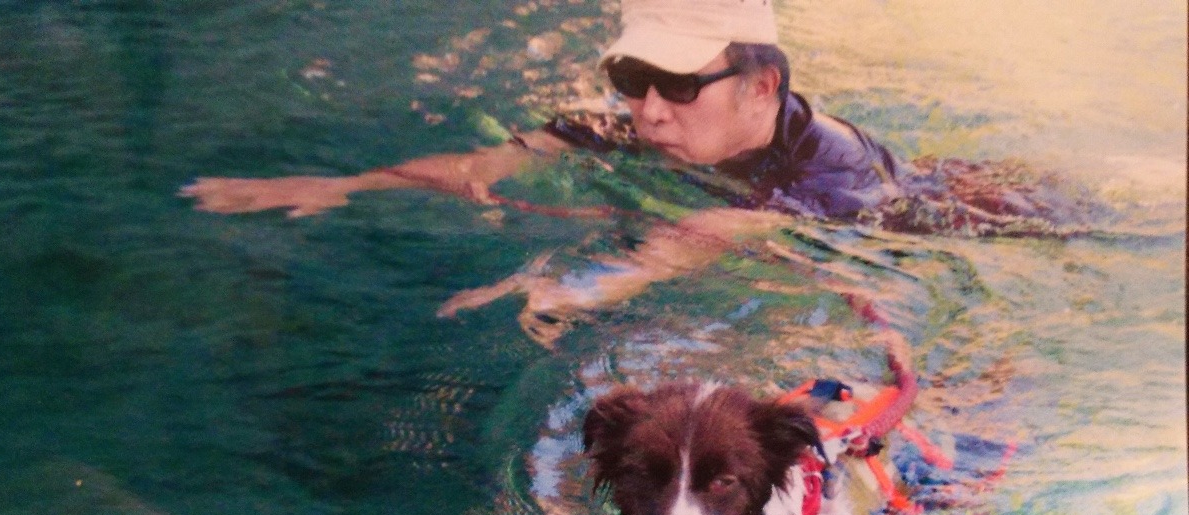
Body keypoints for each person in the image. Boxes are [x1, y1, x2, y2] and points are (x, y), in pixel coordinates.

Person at [179, 0, 909, 346]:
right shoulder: (638, 126)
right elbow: (485, 164)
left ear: (761, 85)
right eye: (632, 76)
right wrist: (345, 186)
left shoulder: (829, 171)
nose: (648, 111)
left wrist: (575, 289)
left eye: (679, 84)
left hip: (929, 219)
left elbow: (702, 234)